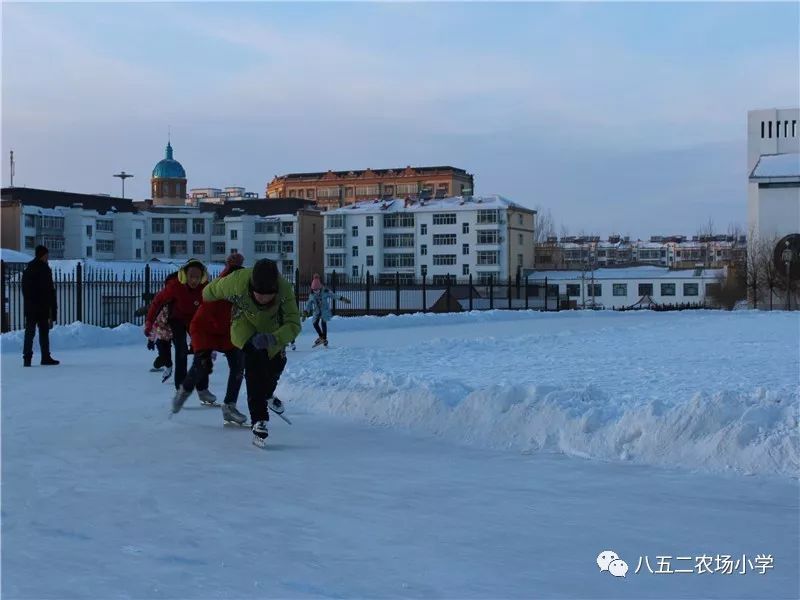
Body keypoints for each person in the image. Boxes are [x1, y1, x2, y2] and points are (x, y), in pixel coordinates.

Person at [202, 258, 301, 447]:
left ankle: (268, 394)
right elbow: (213, 290)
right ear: (251, 287)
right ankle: (259, 420)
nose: (262, 299)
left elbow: (294, 324)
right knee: (254, 369)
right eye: (258, 294)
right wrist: (204, 295)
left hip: (272, 332)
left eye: (268, 295)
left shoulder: (285, 289)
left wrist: (274, 338)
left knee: (275, 366)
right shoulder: (238, 281)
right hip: (244, 326)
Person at [172, 253, 247, 426]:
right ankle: (184, 390)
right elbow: (203, 321)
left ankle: (229, 407)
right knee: (202, 364)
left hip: (227, 332)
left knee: (238, 365)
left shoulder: (242, 292)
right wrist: (204, 351)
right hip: (204, 330)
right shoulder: (217, 291)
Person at [145, 258, 209, 399]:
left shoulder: (205, 288)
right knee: (181, 350)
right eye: (191, 276)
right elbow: (157, 302)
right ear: (184, 276)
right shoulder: (175, 286)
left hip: (195, 320)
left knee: (203, 349)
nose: (194, 280)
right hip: (177, 319)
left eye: (197, 277)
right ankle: (181, 388)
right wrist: (149, 322)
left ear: (202, 277)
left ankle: (203, 389)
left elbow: (214, 307)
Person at [21, 245, 59, 367]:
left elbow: (25, 290)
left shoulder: (29, 268)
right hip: (41, 307)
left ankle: (28, 358)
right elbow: (49, 290)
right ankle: (45, 357)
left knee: (30, 333)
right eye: (46, 255)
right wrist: (50, 307)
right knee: (43, 332)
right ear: (42, 255)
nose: (48, 257)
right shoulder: (44, 269)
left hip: (32, 307)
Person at [303, 273, 351, 347]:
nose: (316, 291)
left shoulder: (325, 291)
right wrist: (305, 313)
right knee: (315, 323)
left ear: (320, 287)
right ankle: (321, 336)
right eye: (314, 290)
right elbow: (308, 304)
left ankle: (324, 338)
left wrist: (342, 299)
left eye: (317, 290)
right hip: (317, 311)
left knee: (323, 322)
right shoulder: (311, 295)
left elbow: (333, 295)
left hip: (324, 310)